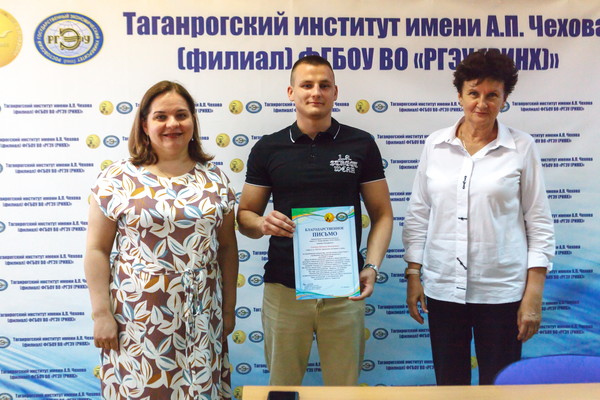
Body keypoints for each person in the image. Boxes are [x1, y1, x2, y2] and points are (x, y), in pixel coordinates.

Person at [237, 55, 393, 386]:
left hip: (344, 290)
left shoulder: (361, 143)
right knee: (282, 388)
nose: (315, 92)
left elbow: (382, 214)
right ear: (291, 92)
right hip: (284, 289)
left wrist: (372, 266)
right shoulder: (268, 148)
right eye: (307, 85)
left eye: (324, 85)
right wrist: (262, 224)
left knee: (343, 390)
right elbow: (245, 216)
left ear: (335, 92)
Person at [402, 48, 555, 385]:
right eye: (473, 93)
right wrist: (414, 273)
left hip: (501, 292)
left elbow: (539, 223)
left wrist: (533, 295)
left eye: (492, 95)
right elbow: (418, 213)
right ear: (459, 96)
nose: (481, 104)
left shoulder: (522, 147)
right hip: (444, 289)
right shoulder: (435, 145)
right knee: (450, 385)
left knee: (499, 385)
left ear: (504, 99)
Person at [84, 81, 238, 399]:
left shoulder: (215, 179)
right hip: (136, 315)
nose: (172, 124)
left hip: (202, 313)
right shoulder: (117, 179)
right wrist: (101, 314)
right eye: (161, 117)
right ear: (144, 124)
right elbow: (97, 250)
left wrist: (228, 310)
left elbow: (226, 248)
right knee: (143, 388)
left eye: (181, 115)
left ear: (193, 121)